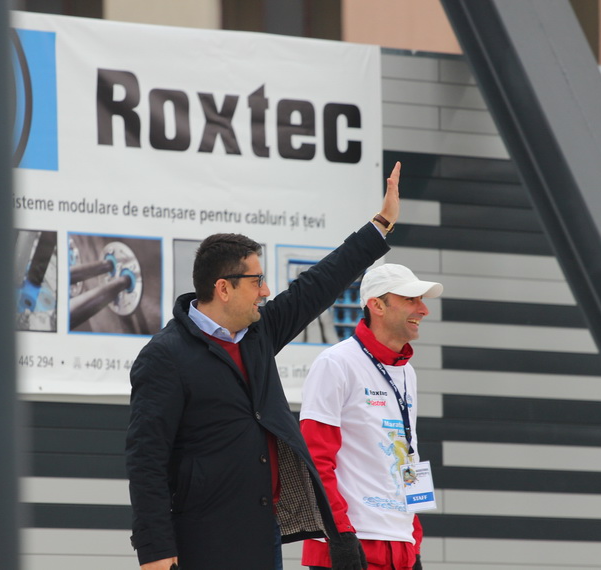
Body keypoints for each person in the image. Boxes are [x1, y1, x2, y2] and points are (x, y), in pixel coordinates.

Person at [125, 163, 403, 570]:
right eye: (256, 281)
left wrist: (380, 225)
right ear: (223, 288)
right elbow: (146, 459)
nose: (266, 291)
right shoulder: (166, 356)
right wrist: (155, 551)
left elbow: (319, 284)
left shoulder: (259, 333)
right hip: (201, 540)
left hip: (262, 533)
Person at [299, 263, 443, 570]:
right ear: (377, 305)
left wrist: (414, 540)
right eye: (410, 299)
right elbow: (314, 459)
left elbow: (407, 457)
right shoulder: (336, 363)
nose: (423, 310)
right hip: (350, 544)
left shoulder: (407, 372)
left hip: (400, 546)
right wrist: (340, 536)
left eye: (421, 300)